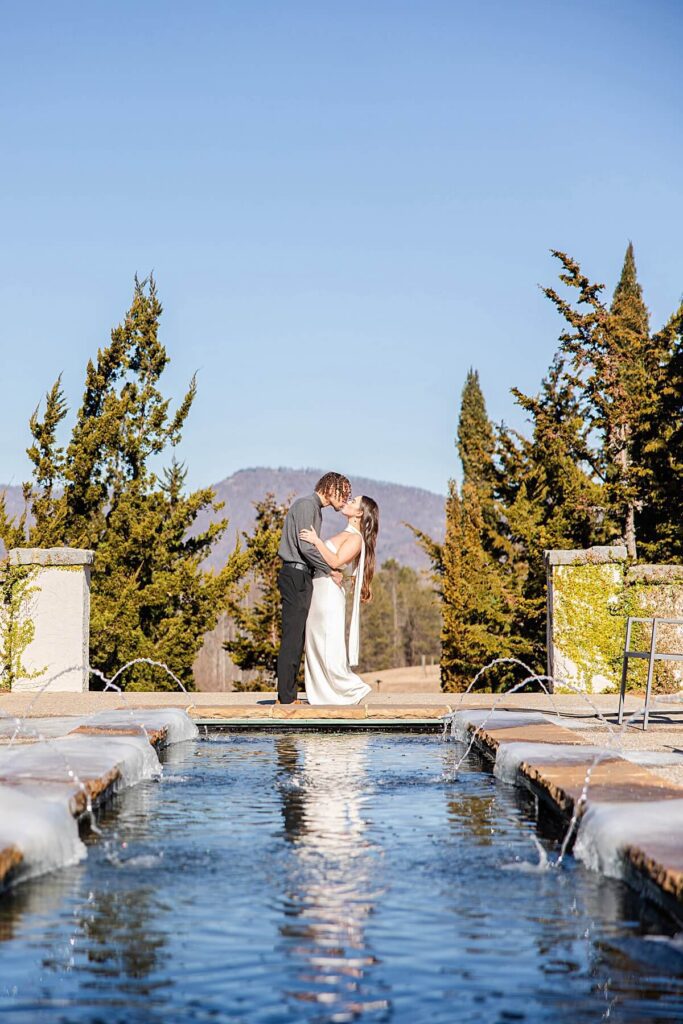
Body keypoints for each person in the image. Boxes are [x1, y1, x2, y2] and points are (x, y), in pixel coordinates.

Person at [276, 472, 351, 704]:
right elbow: (306, 548)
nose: (345, 500)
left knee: (297, 636)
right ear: (330, 489)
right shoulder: (307, 505)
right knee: (293, 637)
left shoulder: (314, 509)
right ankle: (286, 698)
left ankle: (287, 695)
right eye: (343, 494)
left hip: (301, 575)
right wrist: (330, 570)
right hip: (295, 575)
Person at [299, 494, 379, 705]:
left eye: (353, 501)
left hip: (328, 595)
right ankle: (323, 694)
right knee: (315, 643)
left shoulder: (355, 539)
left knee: (327, 645)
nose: (348, 501)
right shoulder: (345, 533)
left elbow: (335, 561)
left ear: (359, 513)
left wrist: (316, 541)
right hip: (319, 589)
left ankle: (352, 689)